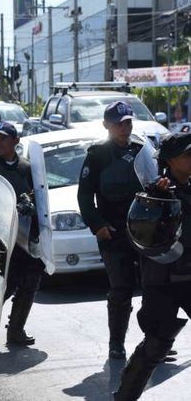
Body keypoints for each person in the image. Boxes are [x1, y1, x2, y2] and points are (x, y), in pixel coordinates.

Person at [114, 132, 191, 400]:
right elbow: (141, 238)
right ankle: (124, 395)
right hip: (165, 279)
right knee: (156, 345)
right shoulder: (155, 195)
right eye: (187, 155)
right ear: (170, 160)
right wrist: (159, 201)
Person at [77, 101, 143, 359]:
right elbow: (84, 197)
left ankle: (157, 340)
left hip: (143, 231)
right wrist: (98, 226)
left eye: (127, 122)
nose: (124, 127)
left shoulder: (141, 150)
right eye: (119, 123)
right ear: (107, 126)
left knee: (154, 287)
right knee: (121, 289)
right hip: (113, 232)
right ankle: (116, 343)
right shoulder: (97, 155)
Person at [0, 122, 44, 346]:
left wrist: (29, 203)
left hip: (23, 233)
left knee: (31, 279)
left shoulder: (27, 167)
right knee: (9, 281)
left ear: (16, 141)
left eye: (4, 138)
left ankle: (16, 330)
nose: (0, 142)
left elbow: (39, 196)